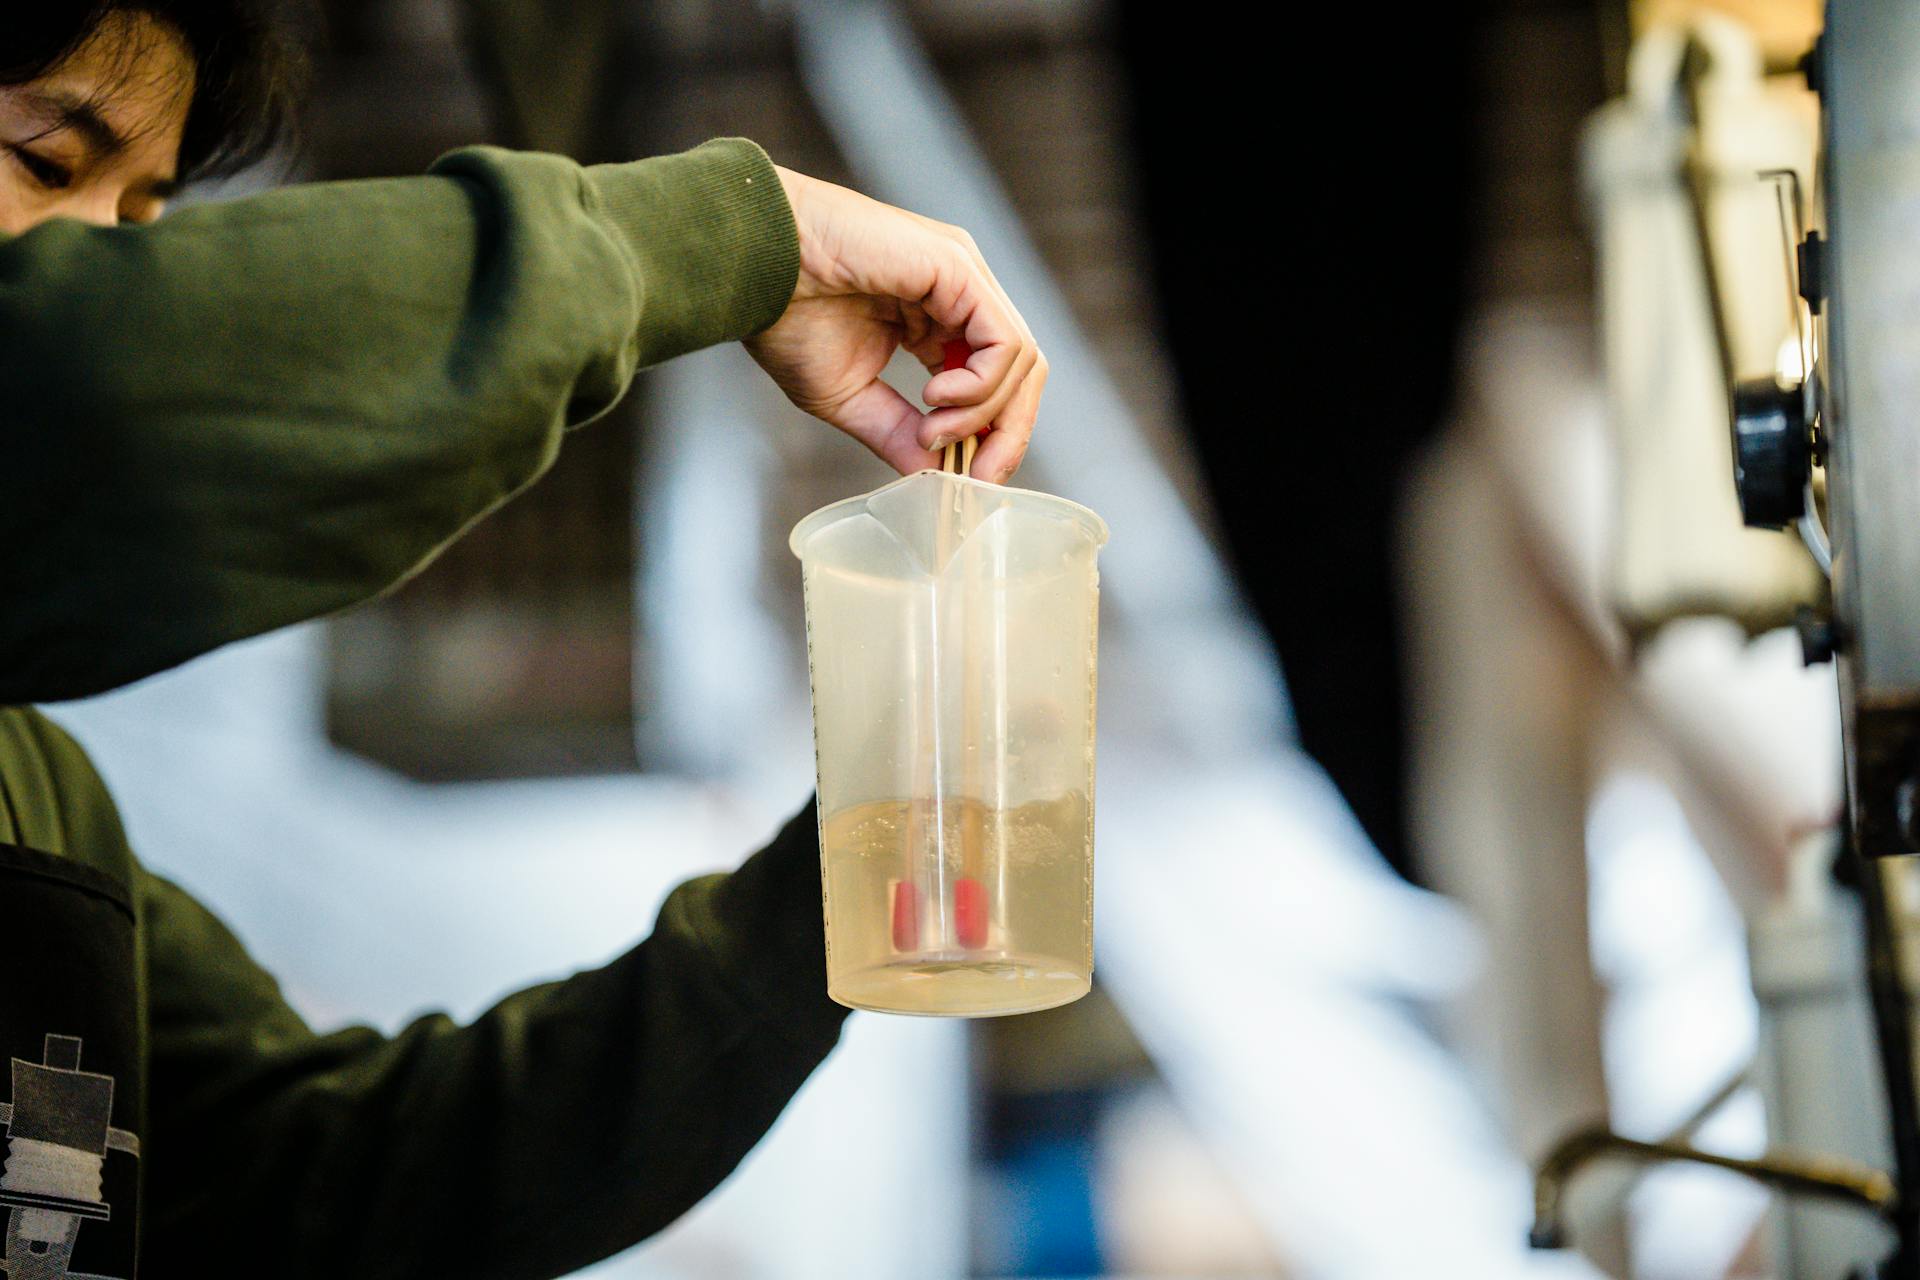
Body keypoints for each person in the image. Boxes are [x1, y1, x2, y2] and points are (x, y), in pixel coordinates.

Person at [0, 4, 1047, 1277]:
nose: (98, 265)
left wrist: (853, 871)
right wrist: (736, 236)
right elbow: (74, 385)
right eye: (46, 160)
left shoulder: (43, 806)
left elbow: (349, 1171)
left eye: (135, 226)